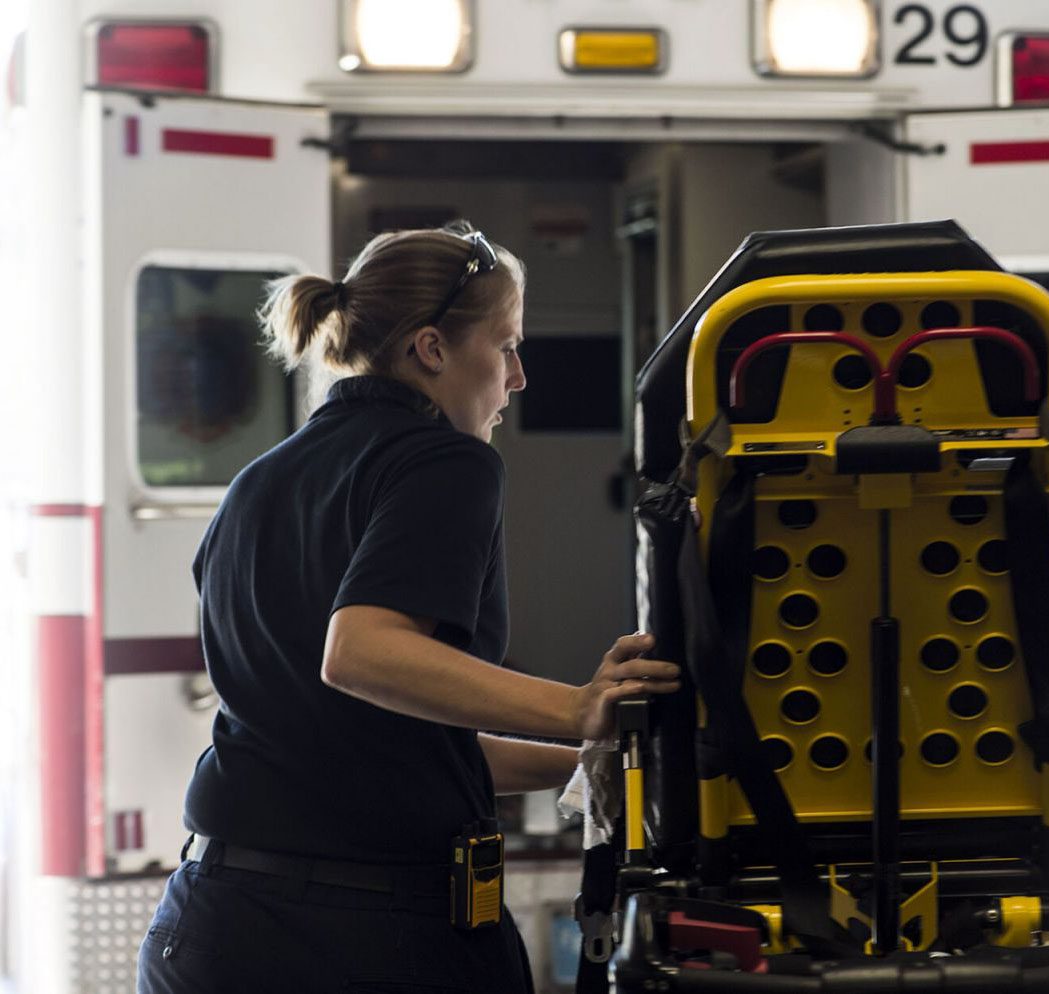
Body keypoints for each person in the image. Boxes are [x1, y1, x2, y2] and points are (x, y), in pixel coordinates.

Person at [136, 222, 681, 994]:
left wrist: (593, 768)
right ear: (430, 350)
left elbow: (395, 746)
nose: (517, 377)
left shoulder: (258, 481)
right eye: (505, 346)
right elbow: (361, 655)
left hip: (210, 926)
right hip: (366, 938)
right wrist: (580, 709)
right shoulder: (445, 460)